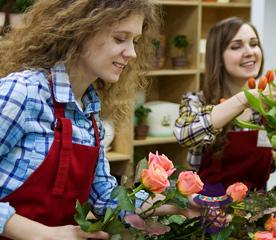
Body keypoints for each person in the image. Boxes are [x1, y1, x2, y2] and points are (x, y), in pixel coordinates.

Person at [0, 0, 177, 239]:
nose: (132, 53)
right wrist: (42, 234)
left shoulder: (90, 118)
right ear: (80, 31)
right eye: (120, 38)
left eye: (134, 41)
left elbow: (105, 199)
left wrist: (177, 204)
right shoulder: (22, 92)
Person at [174, 17, 276, 197]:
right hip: (206, 211)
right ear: (218, 57)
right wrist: (245, 99)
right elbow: (185, 134)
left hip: (257, 213)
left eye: (254, 44)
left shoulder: (274, 108)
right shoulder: (196, 101)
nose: (249, 52)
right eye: (236, 46)